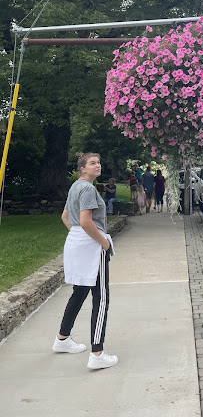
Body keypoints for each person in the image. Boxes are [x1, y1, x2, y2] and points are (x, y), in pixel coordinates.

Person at [52, 152, 118, 370]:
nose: (97, 165)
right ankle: (97, 353)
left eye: (98, 162)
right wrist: (104, 244)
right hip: (92, 247)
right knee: (101, 298)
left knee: (79, 292)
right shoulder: (88, 189)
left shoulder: (74, 187)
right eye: (92, 163)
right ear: (83, 168)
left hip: (77, 243)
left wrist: (79, 236)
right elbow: (86, 221)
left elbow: (65, 217)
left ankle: (62, 339)